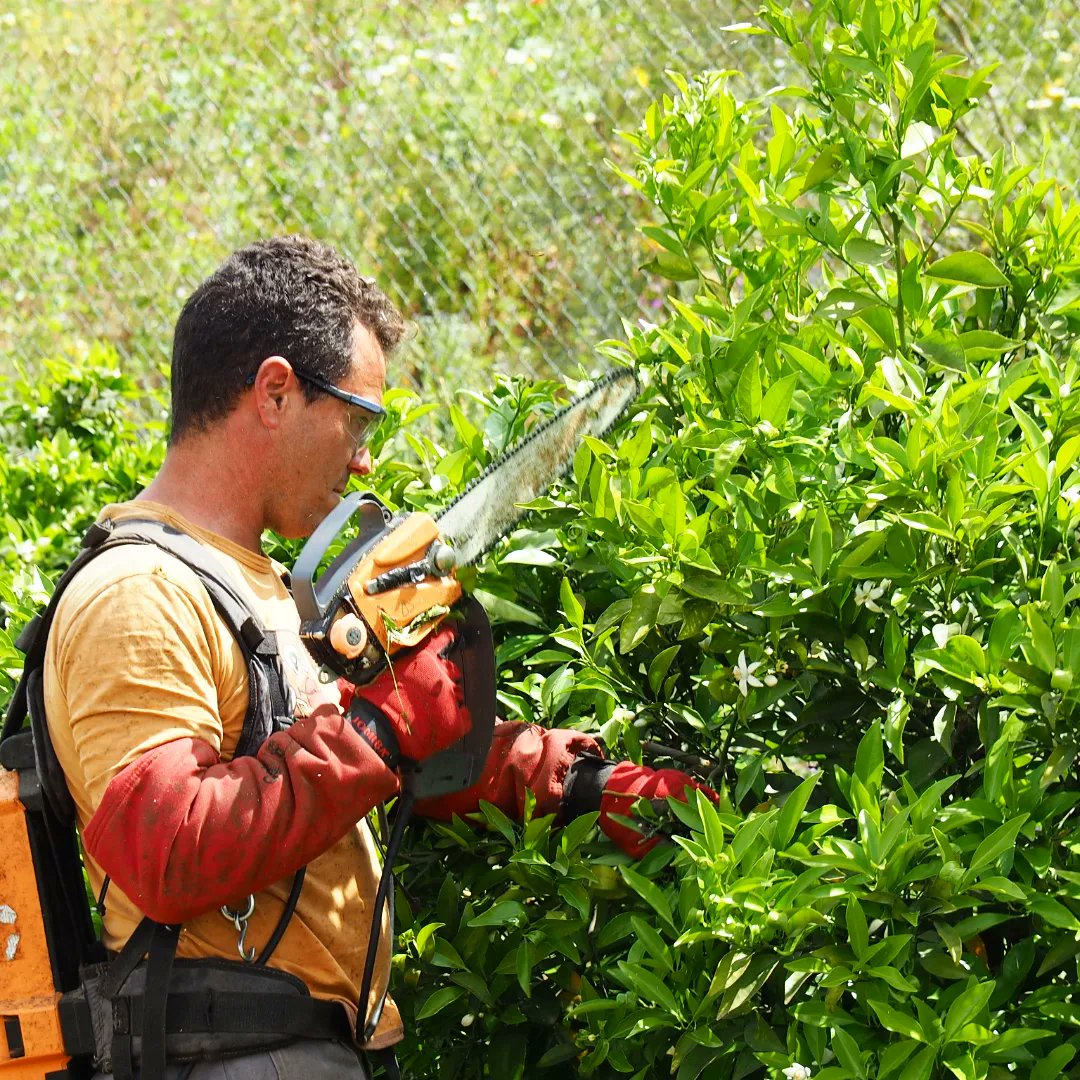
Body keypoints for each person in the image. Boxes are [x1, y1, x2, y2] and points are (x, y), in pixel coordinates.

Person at [42, 235, 712, 1078]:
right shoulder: (139, 591)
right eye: (356, 421)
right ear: (276, 392)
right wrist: (382, 727)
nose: (364, 458)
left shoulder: (263, 585)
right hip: (228, 1051)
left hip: (311, 1044)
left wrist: (574, 783)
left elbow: (364, 758)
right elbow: (168, 846)